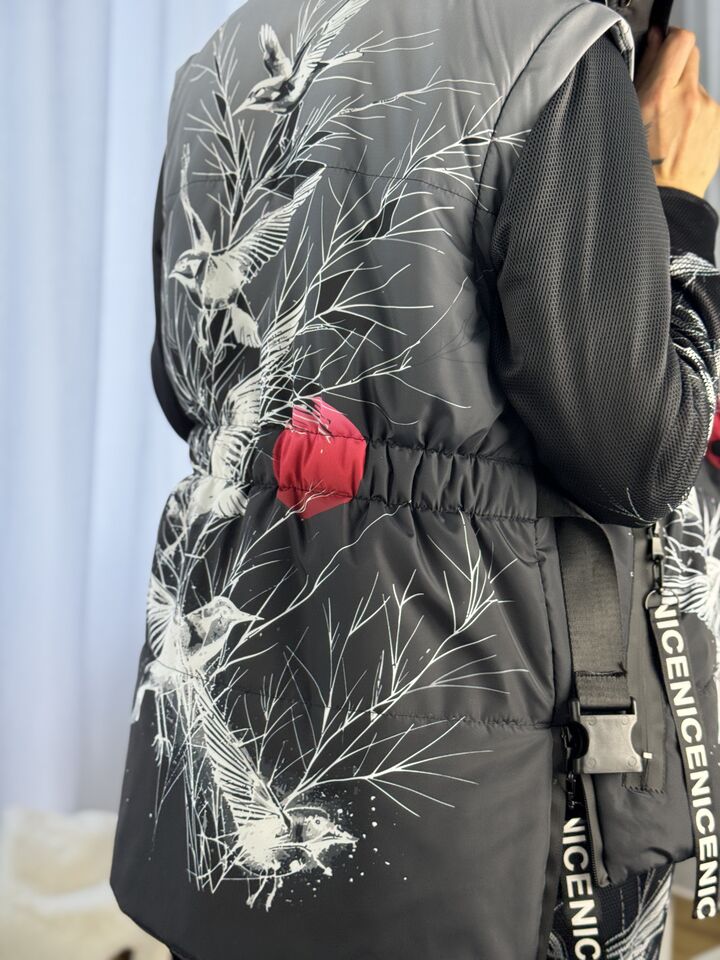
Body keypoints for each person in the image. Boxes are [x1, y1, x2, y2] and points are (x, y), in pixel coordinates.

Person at [109, 2, 720, 958]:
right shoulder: (555, 43)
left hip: (227, 749)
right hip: (469, 784)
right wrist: (672, 202)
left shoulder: (220, 59)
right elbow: (636, 455)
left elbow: (191, 391)